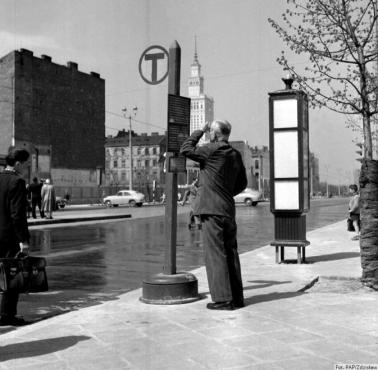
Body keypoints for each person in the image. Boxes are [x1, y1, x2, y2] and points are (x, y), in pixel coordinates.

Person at [180, 119, 247, 310]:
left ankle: (223, 300)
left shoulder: (211, 149)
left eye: (210, 132)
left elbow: (185, 149)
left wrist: (200, 131)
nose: (208, 134)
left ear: (215, 134)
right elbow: (242, 183)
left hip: (212, 210)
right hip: (227, 209)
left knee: (215, 254)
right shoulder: (235, 154)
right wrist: (224, 192)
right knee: (231, 253)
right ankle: (237, 298)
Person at [0, 147, 31, 326]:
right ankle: (7, 315)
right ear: (18, 163)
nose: (26, 167)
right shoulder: (17, 182)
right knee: (12, 275)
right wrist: (23, 240)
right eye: (26, 163)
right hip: (8, 237)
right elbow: (17, 215)